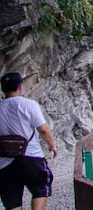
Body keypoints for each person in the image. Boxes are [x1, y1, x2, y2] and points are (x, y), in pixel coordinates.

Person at [0, 73, 57, 210]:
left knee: (11, 197)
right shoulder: (29, 104)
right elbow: (43, 129)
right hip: (30, 155)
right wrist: (52, 146)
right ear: (20, 86)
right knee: (41, 186)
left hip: (4, 160)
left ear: (2, 88)